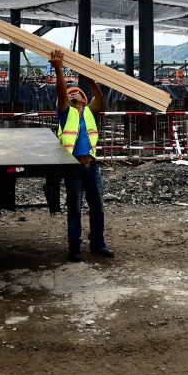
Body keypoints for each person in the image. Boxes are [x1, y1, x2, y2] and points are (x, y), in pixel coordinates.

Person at [50, 50, 115, 262]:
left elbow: (100, 97)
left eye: (76, 92)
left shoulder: (88, 111)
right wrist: (59, 69)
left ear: (84, 98)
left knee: (97, 206)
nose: (72, 94)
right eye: (70, 93)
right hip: (73, 167)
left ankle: (98, 244)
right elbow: (61, 94)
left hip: (91, 166)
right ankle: (74, 247)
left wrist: (88, 78)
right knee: (75, 208)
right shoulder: (64, 112)